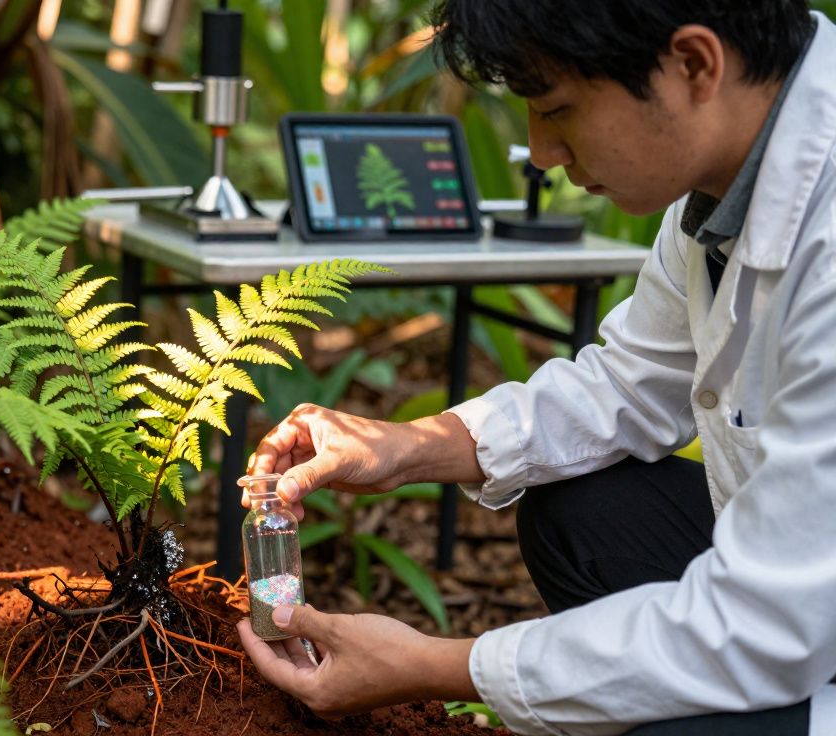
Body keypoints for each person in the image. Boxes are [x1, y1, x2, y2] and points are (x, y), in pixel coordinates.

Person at [234, 1, 836, 734]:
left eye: (558, 109)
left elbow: (765, 623)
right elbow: (629, 384)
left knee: (681, 714)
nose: (542, 151)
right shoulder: (724, 192)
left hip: (795, 611)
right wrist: (407, 446)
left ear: (694, 65)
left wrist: (435, 666)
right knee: (583, 513)